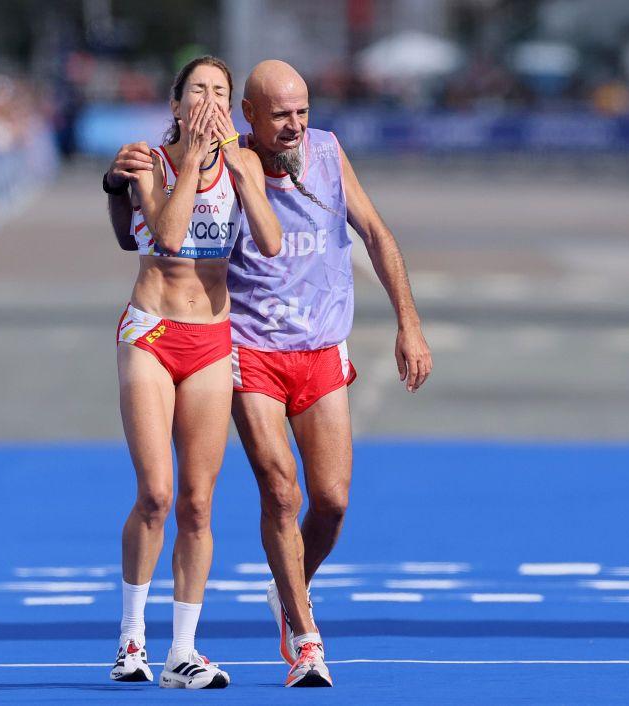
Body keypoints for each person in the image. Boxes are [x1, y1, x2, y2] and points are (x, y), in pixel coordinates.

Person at [105, 59, 432, 688]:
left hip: (278, 345)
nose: (295, 125)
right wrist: (146, 171)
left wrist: (408, 323)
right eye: (280, 115)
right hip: (215, 342)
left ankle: (255, 610)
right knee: (221, 492)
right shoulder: (171, 160)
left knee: (312, 503)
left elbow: (317, 236)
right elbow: (155, 235)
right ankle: (279, 640)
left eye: (303, 112)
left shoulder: (302, 156)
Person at [106, 55, 281, 690]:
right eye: (198, 90)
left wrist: (239, 170)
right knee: (156, 493)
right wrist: (193, 158)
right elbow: (172, 236)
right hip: (151, 331)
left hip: (211, 337)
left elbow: (269, 242)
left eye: (220, 93)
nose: (209, 100)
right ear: (176, 104)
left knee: (199, 505)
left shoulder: (243, 163)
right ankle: (131, 640)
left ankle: (184, 650)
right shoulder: (146, 161)